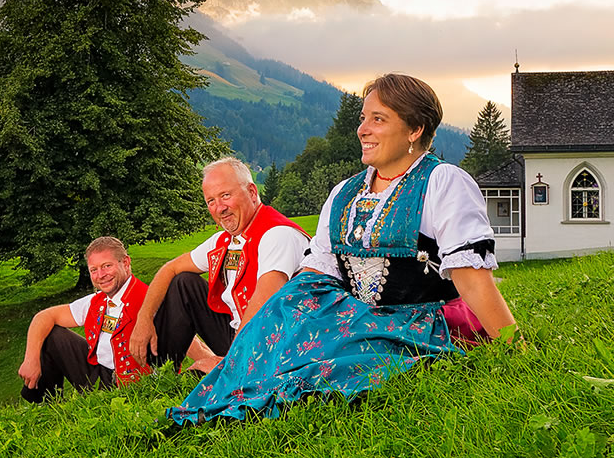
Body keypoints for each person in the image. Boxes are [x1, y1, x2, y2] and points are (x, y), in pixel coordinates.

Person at [166, 73, 517, 425]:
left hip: (419, 321)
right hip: (358, 316)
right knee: (287, 315)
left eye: (377, 119)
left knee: (337, 352)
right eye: (363, 118)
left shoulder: (443, 182)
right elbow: (316, 271)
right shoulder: (344, 193)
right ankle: (236, 380)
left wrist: (515, 348)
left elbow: (471, 278)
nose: (362, 129)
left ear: (415, 129)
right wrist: (286, 316)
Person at [127, 157, 310, 373]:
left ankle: (230, 369)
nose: (219, 208)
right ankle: (160, 372)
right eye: (211, 201)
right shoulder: (225, 240)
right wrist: (144, 318)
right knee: (184, 283)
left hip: (278, 342)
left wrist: (227, 362)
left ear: (252, 192)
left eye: (226, 195)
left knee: (201, 379)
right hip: (239, 332)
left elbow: (265, 304)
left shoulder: (277, 234)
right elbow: (170, 268)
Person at [18, 236, 150, 403]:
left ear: (125, 263)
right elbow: (44, 316)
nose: (101, 275)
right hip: (98, 374)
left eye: (107, 266)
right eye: (94, 270)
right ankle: (45, 404)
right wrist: (31, 360)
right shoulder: (97, 300)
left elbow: (184, 335)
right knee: (51, 333)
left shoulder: (149, 300)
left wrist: (195, 361)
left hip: (132, 383)